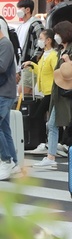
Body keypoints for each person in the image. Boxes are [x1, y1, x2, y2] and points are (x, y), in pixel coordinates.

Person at [33, 21, 72, 169]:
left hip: (68, 94)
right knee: (53, 124)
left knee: (57, 124)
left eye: (58, 34)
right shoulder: (61, 50)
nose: (56, 37)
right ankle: (51, 156)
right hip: (60, 93)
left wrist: (70, 63)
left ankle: (53, 156)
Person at [22, 29, 59, 155]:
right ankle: (46, 142)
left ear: (49, 40)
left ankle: (44, 142)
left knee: (39, 115)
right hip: (46, 91)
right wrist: (32, 65)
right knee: (46, 118)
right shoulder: (45, 54)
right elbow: (42, 71)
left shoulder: (53, 55)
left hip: (51, 91)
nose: (40, 41)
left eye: (42, 38)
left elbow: (56, 72)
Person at [0, 24, 19, 180]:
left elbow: (1, 67)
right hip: (4, 92)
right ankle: (14, 163)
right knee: (5, 129)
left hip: (4, 93)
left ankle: (6, 160)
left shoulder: (5, 44)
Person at [16, 0, 44, 93]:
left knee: (23, 93)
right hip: (22, 65)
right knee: (23, 94)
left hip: (29, 64)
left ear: (28, 9)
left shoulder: (36, 24)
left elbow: (41, 44)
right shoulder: (20, 27)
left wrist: (32, 61)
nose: (18, 11)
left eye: (20, 8)